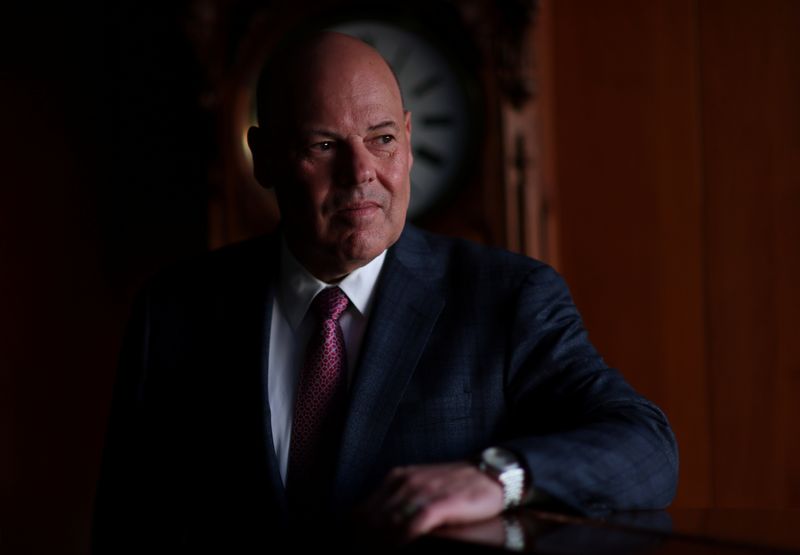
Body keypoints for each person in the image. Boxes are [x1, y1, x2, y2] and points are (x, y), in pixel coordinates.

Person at [92, 31, 678, 552]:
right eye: (323, 146)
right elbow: (127, 528)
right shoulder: (175, 311)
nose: (360, 173)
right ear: (264, 158)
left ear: (409, 139)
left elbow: (646, 448)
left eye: (381, 139)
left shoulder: (507, 299)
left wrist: (496, 478)